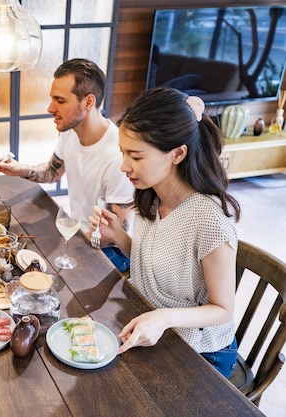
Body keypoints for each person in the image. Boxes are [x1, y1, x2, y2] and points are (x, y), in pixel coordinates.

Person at [90, 87, 241, 377]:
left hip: (202, 350)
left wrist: (163, 318)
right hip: (150, 320)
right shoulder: (150, 196)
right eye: (123, 153)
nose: (124, 166)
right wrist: (119, 238)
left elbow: (222, 309)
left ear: (177, 154)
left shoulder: (210, 220)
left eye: (135, 155)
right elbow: (159, 265)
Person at [0, 58, 135, 272]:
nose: (50, 108)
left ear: (88, 102)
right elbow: (52, 172)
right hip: (75, 233)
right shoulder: (70, 131)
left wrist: (67, 246)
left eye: (60, 100)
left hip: (107, 253)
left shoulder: (117, 157)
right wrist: (19, 169)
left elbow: (114, 236)